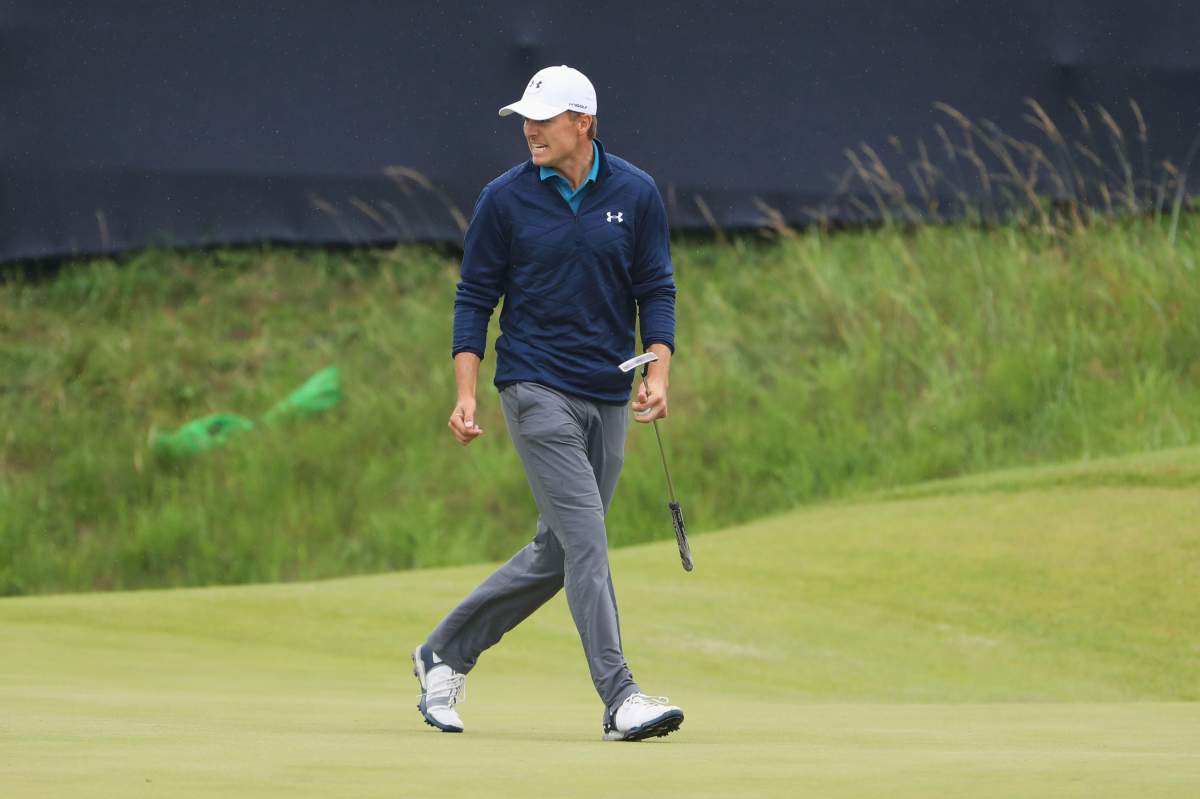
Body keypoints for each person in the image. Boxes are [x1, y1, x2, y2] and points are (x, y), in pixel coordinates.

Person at [410, 65, 683, 742]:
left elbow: (656, 287)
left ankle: (443, 652)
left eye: (544, 119)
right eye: (526, 120)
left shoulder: (636, 193)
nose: (530, 131)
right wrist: (467, 393)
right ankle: (620, 697)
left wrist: (659, 369)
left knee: (559, 551)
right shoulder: (504, 200)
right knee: (586, 537)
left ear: (583, 123)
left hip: (608, 390)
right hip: (533, 386)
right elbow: (475, 298)